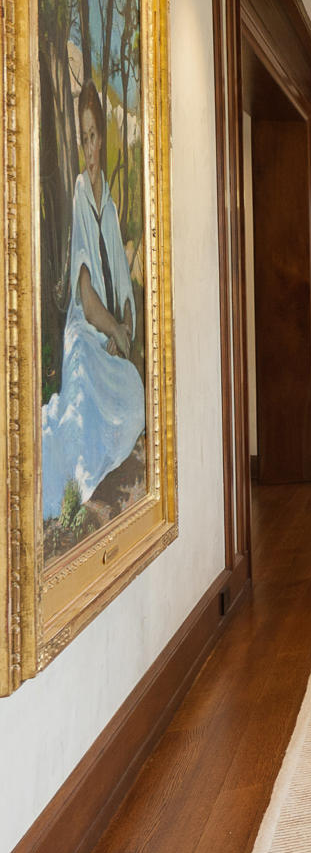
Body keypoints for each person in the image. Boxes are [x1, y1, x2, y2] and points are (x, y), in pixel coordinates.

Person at [41, 73, 146, 523]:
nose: (87, 147)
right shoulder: (82, 192)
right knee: (82, 378)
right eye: (81, 138)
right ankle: (85, 493)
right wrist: (112, 330)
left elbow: (121, 282)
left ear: (102, 137)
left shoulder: (112, 204)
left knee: (133, 393)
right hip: (86, 329)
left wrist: (124, 327)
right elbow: (86, 295)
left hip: (110, 329)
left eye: (91, 136)